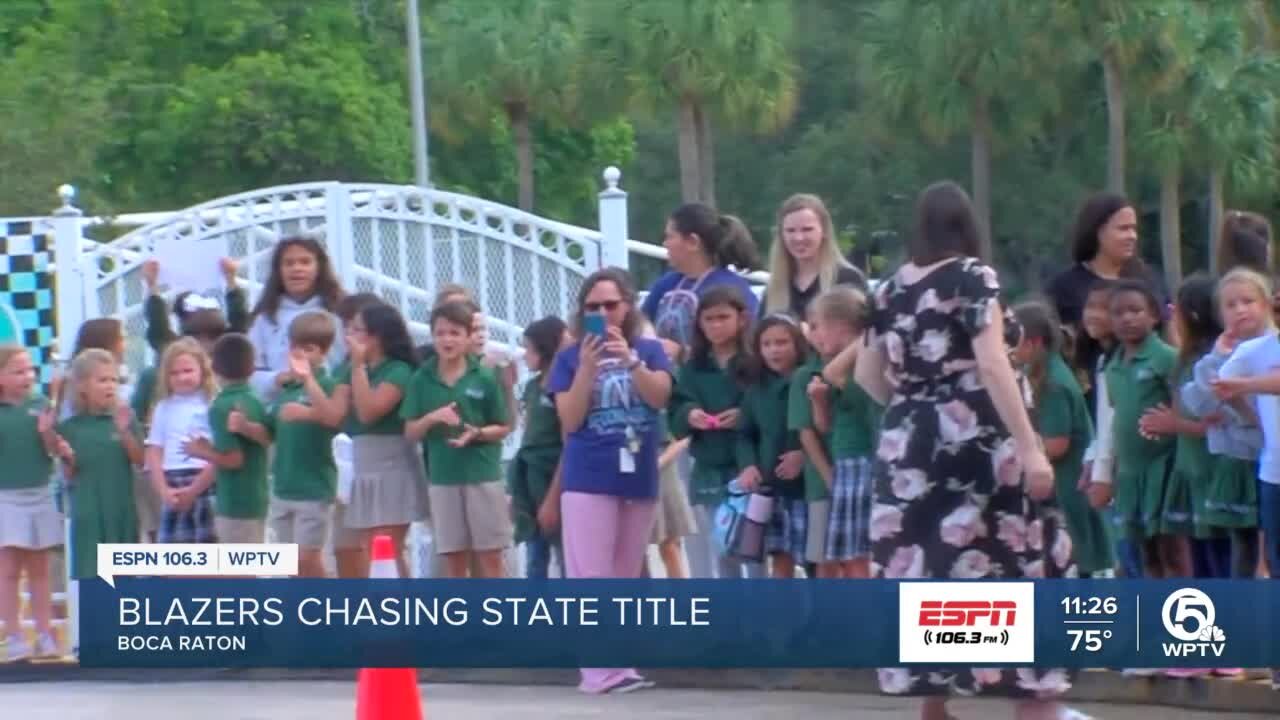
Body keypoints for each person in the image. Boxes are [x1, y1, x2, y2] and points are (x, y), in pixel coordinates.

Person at [854, 181, 1069, 716]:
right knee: (1004, 557)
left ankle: (934, 702)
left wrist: (911, 411)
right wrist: (1030, 445)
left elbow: (864, 373)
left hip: (908, 440)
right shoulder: (973, 276)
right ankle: (1030, 691)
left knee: (928, 562)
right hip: (976, 437)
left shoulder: (887, 290)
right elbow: (993, 363)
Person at [546, 267, 672, 694]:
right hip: (588, 474)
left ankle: (621, 664)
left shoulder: (650, 350)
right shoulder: (568, 358)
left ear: (629, 305)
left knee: (624, 574)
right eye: (592, 307)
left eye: (610, 305)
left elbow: (659, 396)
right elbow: (570, 418)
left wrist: (630, 360)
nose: (602, 313)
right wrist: (586, 367)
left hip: (637, 474)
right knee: (591, 575)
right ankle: (597, 672)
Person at [402, 302, 512, 579]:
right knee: (453, 558)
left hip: (482, 474)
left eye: (454, 333)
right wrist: (433, 418)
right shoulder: (421, 379)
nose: (447, 340)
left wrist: (477, 433)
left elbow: (503, 426)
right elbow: (410, 432)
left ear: (467, 337)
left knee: (491, 556)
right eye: (440, 333)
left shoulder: (484, 377)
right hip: (442, 477)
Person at [1013, 301, 1113, 578]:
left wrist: (1017, 450)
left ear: (1033, 343)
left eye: (1012, 341)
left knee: (1080, 562)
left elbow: (1057, 445)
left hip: (1071, 488)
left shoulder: (1053, 384)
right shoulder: (1043, 376)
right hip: (1067, 487)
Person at [326, 303, 424, 579]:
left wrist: (358, 367)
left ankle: (407, 613)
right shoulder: (353, 368)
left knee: (388, 547)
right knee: (370, 548)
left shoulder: (399, 370)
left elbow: (369, 411)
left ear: (377, 335)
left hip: (392, 462)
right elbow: (337, 413)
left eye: (358, 330)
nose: (349, 335)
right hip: (363, 461)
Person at [1094, 280, 1185, 578]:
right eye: (1118, 313)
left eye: (1135, 310)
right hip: (1130, 475)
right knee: (1145, 553)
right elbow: (1113, 420)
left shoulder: (1167, 358)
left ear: (1154, 316)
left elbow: (1184, 409)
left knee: (1172, 551)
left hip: (1165, 470)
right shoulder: (1112, 367)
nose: (1127, 318)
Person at [669, 286, 760, 579]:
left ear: (742, 318)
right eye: (709, 319)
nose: (716, 325)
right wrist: (690, 414)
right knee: (722, 547)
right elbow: (677, 404)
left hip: (749, 466)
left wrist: (744, 416)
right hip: (709, 465)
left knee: (755, 548)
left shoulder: (755, 361)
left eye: (723, 317)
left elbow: (768, 403)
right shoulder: (694, 366)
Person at [1191, 269, 1272, 577]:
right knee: (1242, 547)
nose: (1240, 310)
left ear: (1265, 305)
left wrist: (1234, 398)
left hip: (1267, 460)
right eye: (1231, 305)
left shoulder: (1271, 350)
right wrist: (1216, 360)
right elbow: (1198, 402)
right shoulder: (1220, 354)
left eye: (1248, 301)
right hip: (1236, 462)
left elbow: (1257, 412)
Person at [263, 312, 343, 578]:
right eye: (295, 348)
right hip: (284, 486)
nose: (300, 355)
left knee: (308, 558)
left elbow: (333, 418)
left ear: (324, 352)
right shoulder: (285, 390)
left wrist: (308, 381)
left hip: (314, 487)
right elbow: (269, 433)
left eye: (309, 349)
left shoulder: (327, 384)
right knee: (289, 564)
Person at [55, 349, 143, 581]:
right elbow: (69, 474)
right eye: (102, 380)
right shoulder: (71, 427)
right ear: (82, 386)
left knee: (124, 580)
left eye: (114, 380)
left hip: (120, 513)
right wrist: (68, 458)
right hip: (89, 514)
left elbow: (139, 460)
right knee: (93, 578)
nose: (110, 386)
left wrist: (124, 432)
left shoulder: (125, 418)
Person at [814, 287, 881, 579]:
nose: (815, 336)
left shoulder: (862, 364)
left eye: (819, 326)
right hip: (847, 464)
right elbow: (826, 425)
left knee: (859, 557)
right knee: (850, 558)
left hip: (862, 463)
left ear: (840, 326)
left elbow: (833, 373)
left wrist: (866, 334)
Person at [0, 345, 62, 660]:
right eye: (17, 371)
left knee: (40, 569)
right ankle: (12, 635)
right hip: (6, 497)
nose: (26, 376)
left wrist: (47, 432)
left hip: (40, 493)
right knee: (8, 569)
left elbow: (52, 451)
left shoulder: (41, 404)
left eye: (29, 370)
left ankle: (45, 632)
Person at [736, 314, 807, 578]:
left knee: (815, 559)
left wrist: (803, 456)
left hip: (805, 489)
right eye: (766, 344)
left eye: (782, 342)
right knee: (779, 556)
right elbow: (744, 433)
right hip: (770, 488)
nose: (774, 350)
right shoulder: (756, 389)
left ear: (797, 344)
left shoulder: (809, 378)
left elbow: (823, 430)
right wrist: (748, 465)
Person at [642, 203, 761, 360]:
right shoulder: (668, 283)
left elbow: (745, 347)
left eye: (670, 237)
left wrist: (682, 353)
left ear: (693, 242)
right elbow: (641, 319)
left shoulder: (729, 287)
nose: (665, 244)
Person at [185, 334, 270, 545]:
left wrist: (201, 451)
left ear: (213, 367)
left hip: (235, 501)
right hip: (258, 497)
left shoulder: (221, 406)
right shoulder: (256, 400)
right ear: (252, 369)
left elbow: (234, 459)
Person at [247, 236, 345, 402]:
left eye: (305, 262)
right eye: (289, 263)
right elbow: (249, 372)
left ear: (319, 267)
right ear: (278, 270)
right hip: (281, 406)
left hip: (331, 403)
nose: (297, 268)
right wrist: (278, 379)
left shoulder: (339, 312)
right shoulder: (266, 318)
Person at [508, 316, 570, 579]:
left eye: (530, 349)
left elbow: (567, 442)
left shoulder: (562, 389)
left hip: (553, 476)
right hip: (530, 479)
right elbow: (520, 429)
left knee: (566, 553)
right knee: (536, 555)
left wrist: (551, 501)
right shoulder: (532, 387)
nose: (525, 355)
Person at [1045, 193, 1155, 330]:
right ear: (1098, 232)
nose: (1132, 236)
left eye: (1134, 229)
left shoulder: (1145, 278)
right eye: (1123, 228)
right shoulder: (1063, 287)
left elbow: (1168, 324)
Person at [144, 339, 217, 544]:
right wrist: (163, 490)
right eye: (174, 373)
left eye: (188, 371)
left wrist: (194, 489)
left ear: (202, 370)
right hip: (172, 483)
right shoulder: (163, 407)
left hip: (204, 482)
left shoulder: (212, 404)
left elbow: (220, 453)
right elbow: (154, 450)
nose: (181, 377)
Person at [761, 194, 867, 319]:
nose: (798, 238)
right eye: (790, 230)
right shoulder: (774, 287)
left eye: (807, 229)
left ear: (824, 231)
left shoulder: (847, 279)